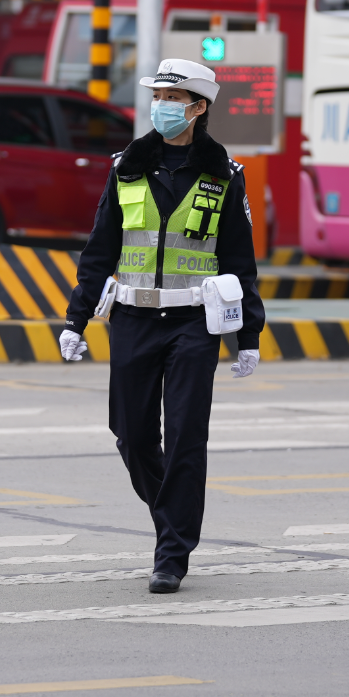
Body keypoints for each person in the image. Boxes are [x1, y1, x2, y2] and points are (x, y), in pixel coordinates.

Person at [61, 58, 265, 594]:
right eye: (158, 96)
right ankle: (170, 513)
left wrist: (248, 336)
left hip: (194, 325)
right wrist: (76, 319)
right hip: (131, 319)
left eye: (174, 98)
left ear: (199, 107)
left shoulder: (226, 177)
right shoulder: (125, 167)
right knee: (128, 432)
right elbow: (100, 249)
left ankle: (172, 554)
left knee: (185, 437)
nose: (162, 106)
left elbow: (240, 263)